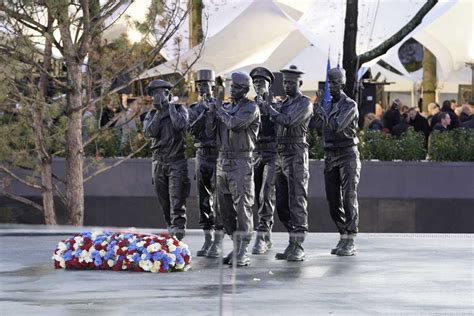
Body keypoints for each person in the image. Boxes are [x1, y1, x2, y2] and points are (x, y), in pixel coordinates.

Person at [206, 72, 260, 267]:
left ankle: (244, 249)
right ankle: (235, 244)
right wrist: (212, 113)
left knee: (242, 206)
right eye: (232, 86)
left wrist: (219, 110)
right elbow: (211, 133)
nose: (232, 90)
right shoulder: (226, 108)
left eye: (237, 87)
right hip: (223, 161)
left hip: (241, 161)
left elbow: (235, 124)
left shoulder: (250, 107)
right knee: (223, 207)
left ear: (245, 89)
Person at [265, 65, 313, 261]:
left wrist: (270, 109)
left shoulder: (305, 103)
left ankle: (298, 244)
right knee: (282, 203)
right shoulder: (283, 103)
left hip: (296, 153)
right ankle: (291, 239)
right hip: (281, 153)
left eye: (291, 82)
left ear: (299, 83)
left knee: (297, 199)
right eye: (284, 82)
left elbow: (289, 121)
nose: (287, 85)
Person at [311, 67, 361, 256]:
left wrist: (322, 113)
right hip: (330, 156)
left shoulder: (350, 105)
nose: (331, 86)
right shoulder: (327, 105)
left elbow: (337, 126)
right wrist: (317, 109)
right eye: (329, 83)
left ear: (343, 84)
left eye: (335, 83)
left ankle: (351, 238)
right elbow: (316, 129)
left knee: (349, 197)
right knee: (333, 201)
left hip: (347, 154)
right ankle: (343, 234)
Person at [143, 79, 190, 240]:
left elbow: (181, 126)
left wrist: (170, 108)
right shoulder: (150, 114)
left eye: (159, 92)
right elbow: (150, 133)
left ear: (168, 93)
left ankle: (178, 236)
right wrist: (157, 112)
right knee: (164, 202)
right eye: (153, 94)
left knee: (177, 201)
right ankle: (171, 232)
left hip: (176, 162)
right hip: (158, 163)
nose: (156, 96)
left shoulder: (179, 109)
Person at [188, 69, 222, 257]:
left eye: (205, 85)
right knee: (203, 199)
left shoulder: (221, 106)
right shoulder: (194, 108)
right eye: (200, 85)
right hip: (202, 154)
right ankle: (207, 236)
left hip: (218, 155)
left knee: (218, 199)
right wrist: (204, 113)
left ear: (212, 86)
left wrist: (215, 110)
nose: (203, 88)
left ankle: (217, 239)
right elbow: (191, 129)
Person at [249, 67, 277, 255]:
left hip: (272, 154)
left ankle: (262, 233)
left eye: (262, 83)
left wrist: (268, 110)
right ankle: (266, 235)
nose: (258, 86)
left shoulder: (277, 105)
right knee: (257, 195)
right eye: (256, 83)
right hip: (255, 154)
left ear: (269, 84)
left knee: (267, 194)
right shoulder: (249, 106)